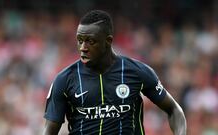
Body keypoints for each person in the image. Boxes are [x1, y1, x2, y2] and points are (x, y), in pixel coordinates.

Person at [43, 10, 187, 135]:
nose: (83, 47)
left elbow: (174, 110)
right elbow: (49, 131)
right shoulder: (64, 79)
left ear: (108, 41)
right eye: (80, 40)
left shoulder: (137, 72)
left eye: (90, 41)